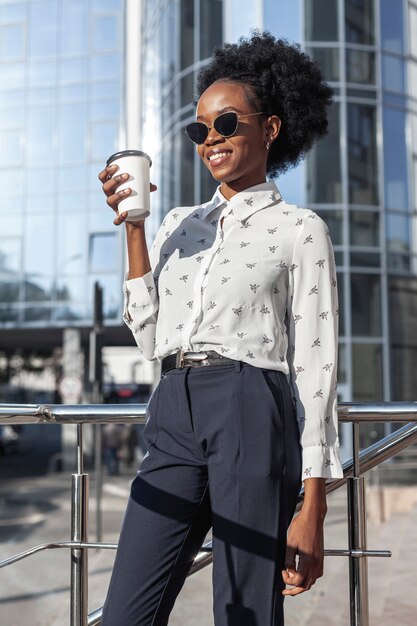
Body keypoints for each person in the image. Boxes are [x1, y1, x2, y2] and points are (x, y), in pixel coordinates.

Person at [99, 31, 343, 626]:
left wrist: (313, 506)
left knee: (245, 613)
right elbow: (150, 338)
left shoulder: (298, 227)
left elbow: (317, 365)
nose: (211, 139)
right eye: (199, 129)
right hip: (173, 407)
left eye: (227, 123)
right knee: (126, 613)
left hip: (250, 405)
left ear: (272, 128)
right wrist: (133, 227)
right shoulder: (180, 225)